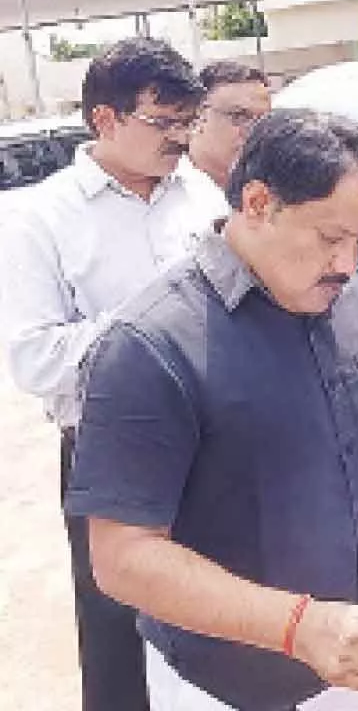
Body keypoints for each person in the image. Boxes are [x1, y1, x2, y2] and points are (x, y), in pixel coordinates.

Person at [63, 109, 358, 710]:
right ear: (257, 202)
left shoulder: (350, 297)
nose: (347, 262)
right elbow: (122, 556)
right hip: (226, 685)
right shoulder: (151, 346)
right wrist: (297, 625)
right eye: (331, 237)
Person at [0, 37, 210, 711]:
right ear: (105, 120)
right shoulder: (41, 218)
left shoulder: (200, 194)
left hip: (217, 441)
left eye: (187, 121)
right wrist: (149, 331)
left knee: (218, 620)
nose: (180, 138)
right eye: (163, 122)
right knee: (121, 635)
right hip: (111, 452)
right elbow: (34, 357)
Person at [182, 60, 272, 219]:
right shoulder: (162, 192)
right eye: (239, 117)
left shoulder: (274, 192)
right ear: (199, 116)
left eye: (264, 120)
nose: (254, 131)